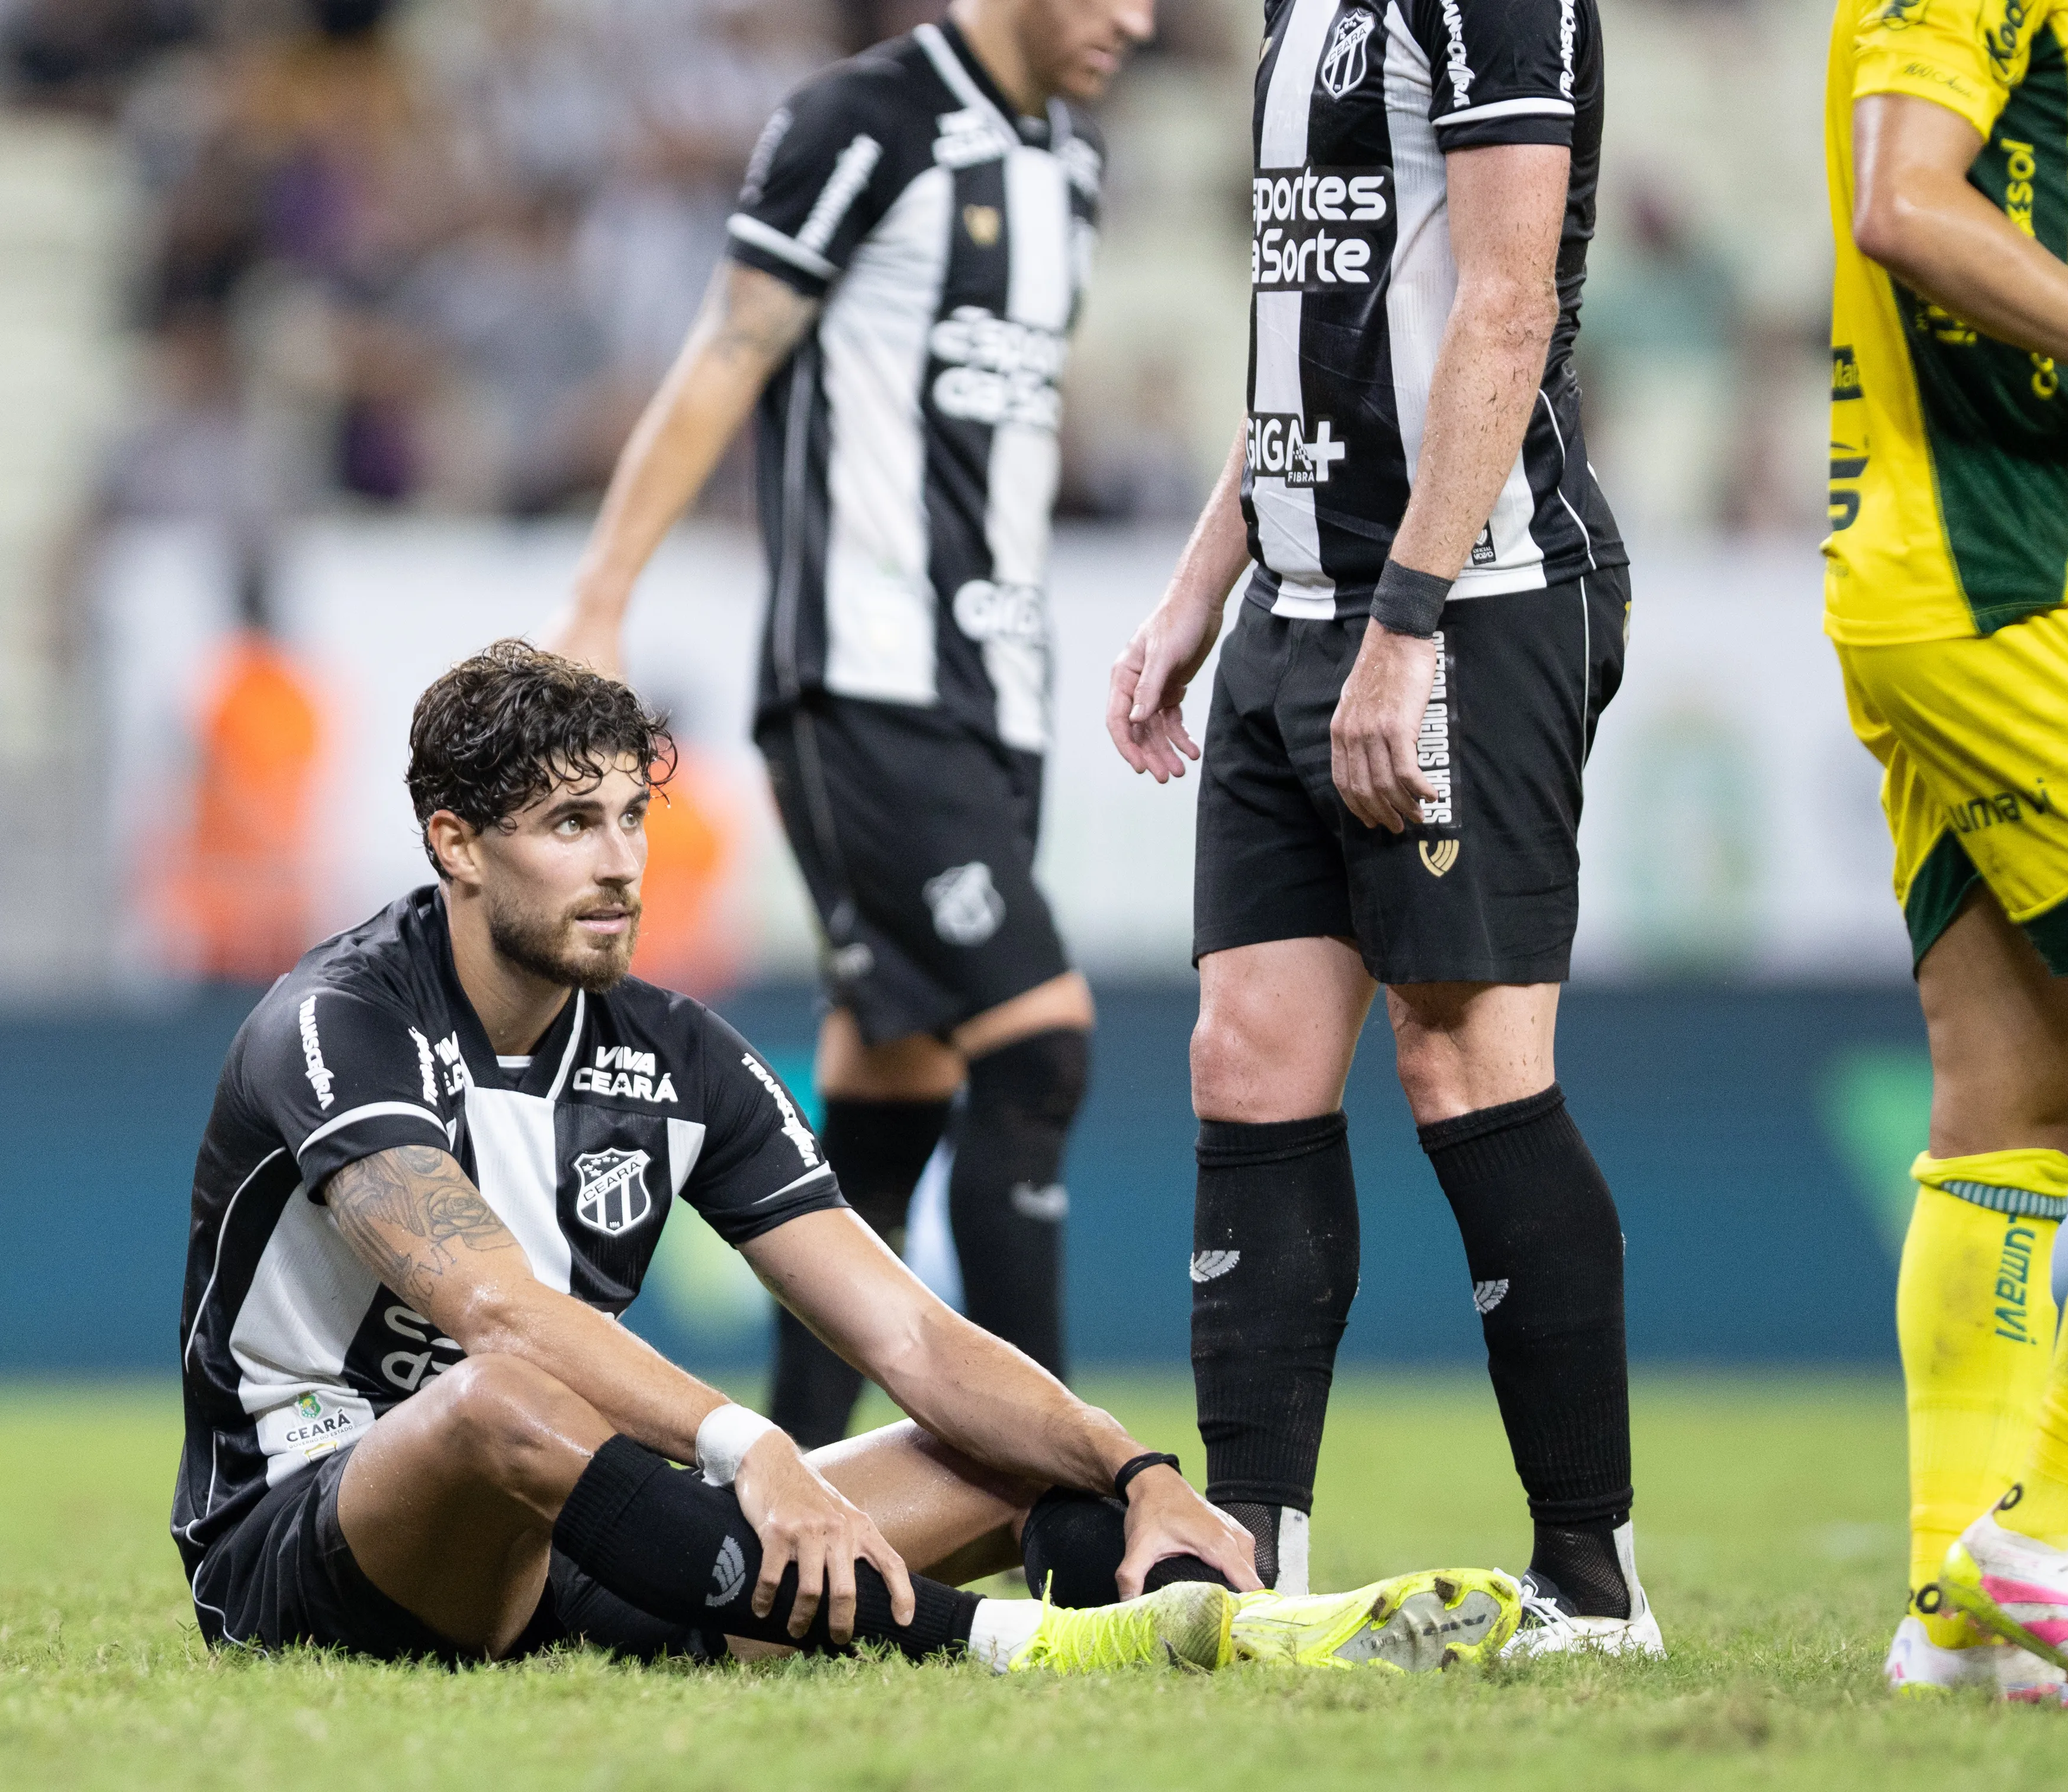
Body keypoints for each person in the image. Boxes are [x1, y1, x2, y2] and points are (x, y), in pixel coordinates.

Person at [171, 640, 1525, 1674]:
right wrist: (749, 1445)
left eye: (631, 816)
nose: (621, 865)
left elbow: (915, 1340)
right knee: (493, 1396)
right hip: (313, 1540)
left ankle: (1233, 1624)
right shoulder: (338, 1022)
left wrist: (1132, 1469)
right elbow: (492, 1313)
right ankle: (1015, 1650)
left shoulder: (679, 1055)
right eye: (568, 826)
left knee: (1015, 1455)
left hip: (581, 1528)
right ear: (454, 846)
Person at [1105, 0, 1654, 1652]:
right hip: (1293, 599)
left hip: (1465, 597)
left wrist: (1403, 623)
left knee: (1462, 1058)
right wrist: (1195, 597)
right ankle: (1244, 1552)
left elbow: (1504, 299)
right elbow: (1308, 347)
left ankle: (1593, 1578)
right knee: (1244, 1051)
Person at [546, 0, 1157, 1449]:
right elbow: (728, 350)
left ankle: (802, 1493)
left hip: (995, 693)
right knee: (1036, 1044)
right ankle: (1063, 1508)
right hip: (857, 682)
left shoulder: (1070, 164)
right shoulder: (861, 123)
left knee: (893, 1088)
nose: (1137, 20)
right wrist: (600, 597)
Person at [1827, 0, 2068, 1703]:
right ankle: (2064, 1520)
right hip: (2007, 568)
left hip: (1965, 559)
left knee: (2014, 1094)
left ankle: (1960, 1608)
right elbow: (1902, 201)